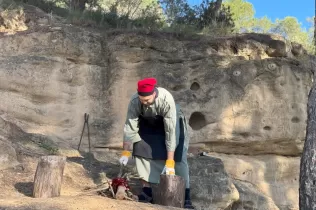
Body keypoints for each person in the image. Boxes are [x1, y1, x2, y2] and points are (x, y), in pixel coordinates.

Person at [119, 77, 194, 209]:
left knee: (179, 159)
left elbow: (171, 132)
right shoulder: (135, 101)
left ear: (154, 93)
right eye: (142, 101)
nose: (145, 103)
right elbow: (129, 127)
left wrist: (169, 162)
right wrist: (125, 152)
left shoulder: (166, 100)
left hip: (172, 122)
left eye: (147, 100)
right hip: (148, 122)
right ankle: (147, 192)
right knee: (141, 148)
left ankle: (186, 196)